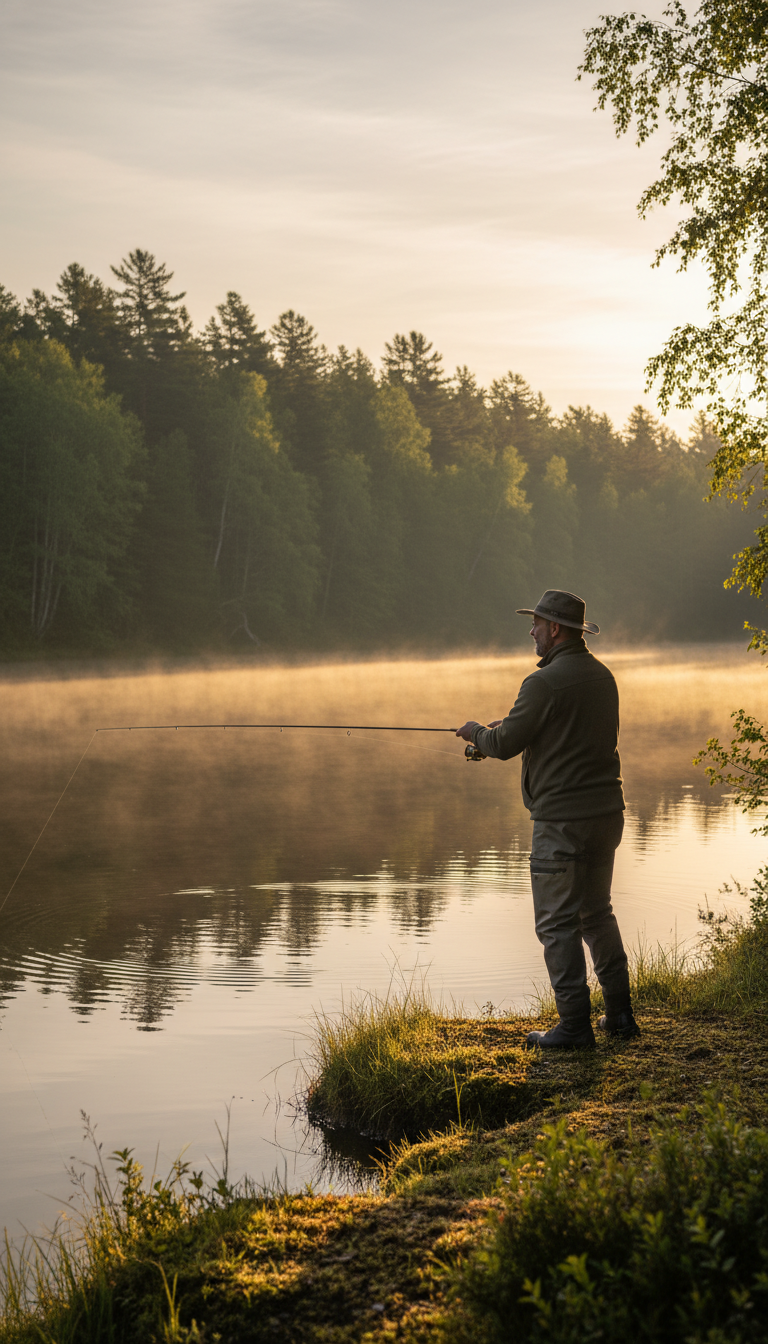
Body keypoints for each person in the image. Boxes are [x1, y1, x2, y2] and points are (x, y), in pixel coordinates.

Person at [455, 589, 639, 1050]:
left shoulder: (542, 683)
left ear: (555, 629)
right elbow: (559, 728)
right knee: (597, 913)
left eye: (536, 623)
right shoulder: (602, 677)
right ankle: (619, 1015)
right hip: (606, 815)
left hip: (561, 822)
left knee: (556, 925)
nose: (531, 630)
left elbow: (503, 745)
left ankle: (574, 1028)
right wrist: (502, 728)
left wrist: (477, 731)